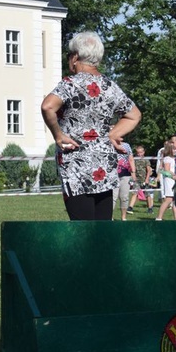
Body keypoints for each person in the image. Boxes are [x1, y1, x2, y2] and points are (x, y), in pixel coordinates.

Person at [40, 31, 141, 220]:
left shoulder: (70, 84)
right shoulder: (110, 86)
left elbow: (47, 106)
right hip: (104, 162)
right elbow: (134, 115)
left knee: (82, 228)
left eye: (69, 55)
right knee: (101, 229)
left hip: (75, 162)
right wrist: (112, 135)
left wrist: (58, 135)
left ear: (76, 57)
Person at [112, 140, 136, 220]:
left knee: (124, 197)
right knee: (113, 197)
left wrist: (134, 173)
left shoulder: (127, 145)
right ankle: (110, 218)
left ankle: (124, 218)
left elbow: (131, 159)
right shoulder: (109, 144)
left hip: (126, 174)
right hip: (113, 175)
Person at [128, 145, 153, 214]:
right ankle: (130, 208)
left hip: (145, 179)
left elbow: (149, 170)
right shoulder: (135, 160)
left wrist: (147, 179)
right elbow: (132, 169)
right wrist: (133, 178)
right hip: (137, 179)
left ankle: (150, 208)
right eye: (138, 153)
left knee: (147, 194)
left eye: (141, 152)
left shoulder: (146, 160)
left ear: (144, 152)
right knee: (135, 192)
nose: (139, 154)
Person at [155, 141, 176, 221]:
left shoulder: (172, 158)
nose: (175, 151)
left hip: (173, 180)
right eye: (173, 149)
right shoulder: (167, 159)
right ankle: (159, 217)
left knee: (174, 200)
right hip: (169, 180)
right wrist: (174, 175)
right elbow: (167, 170)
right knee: (168, 199)